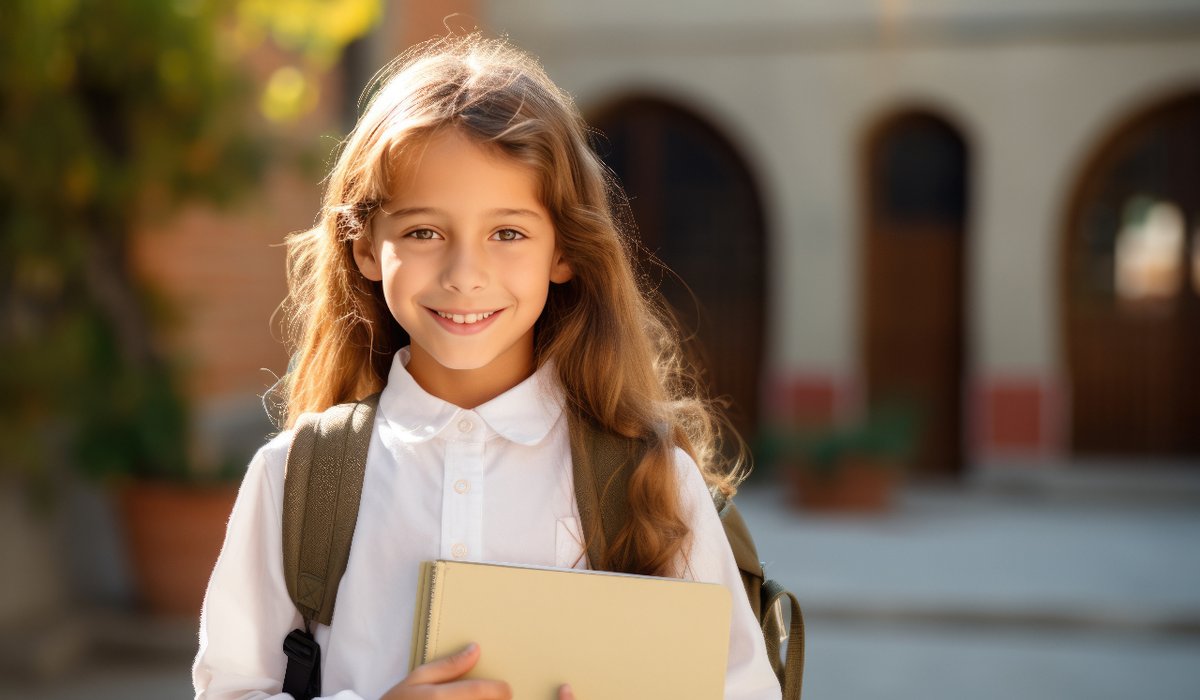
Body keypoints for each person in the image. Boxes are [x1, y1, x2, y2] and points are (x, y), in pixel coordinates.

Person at [192, 33, 781, 700]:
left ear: (564, 252)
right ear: (364, 248)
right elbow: (230, 688)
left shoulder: (649, 478)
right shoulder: (298, 478)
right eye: (423, 233)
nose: (465, 275)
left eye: (508, 234)